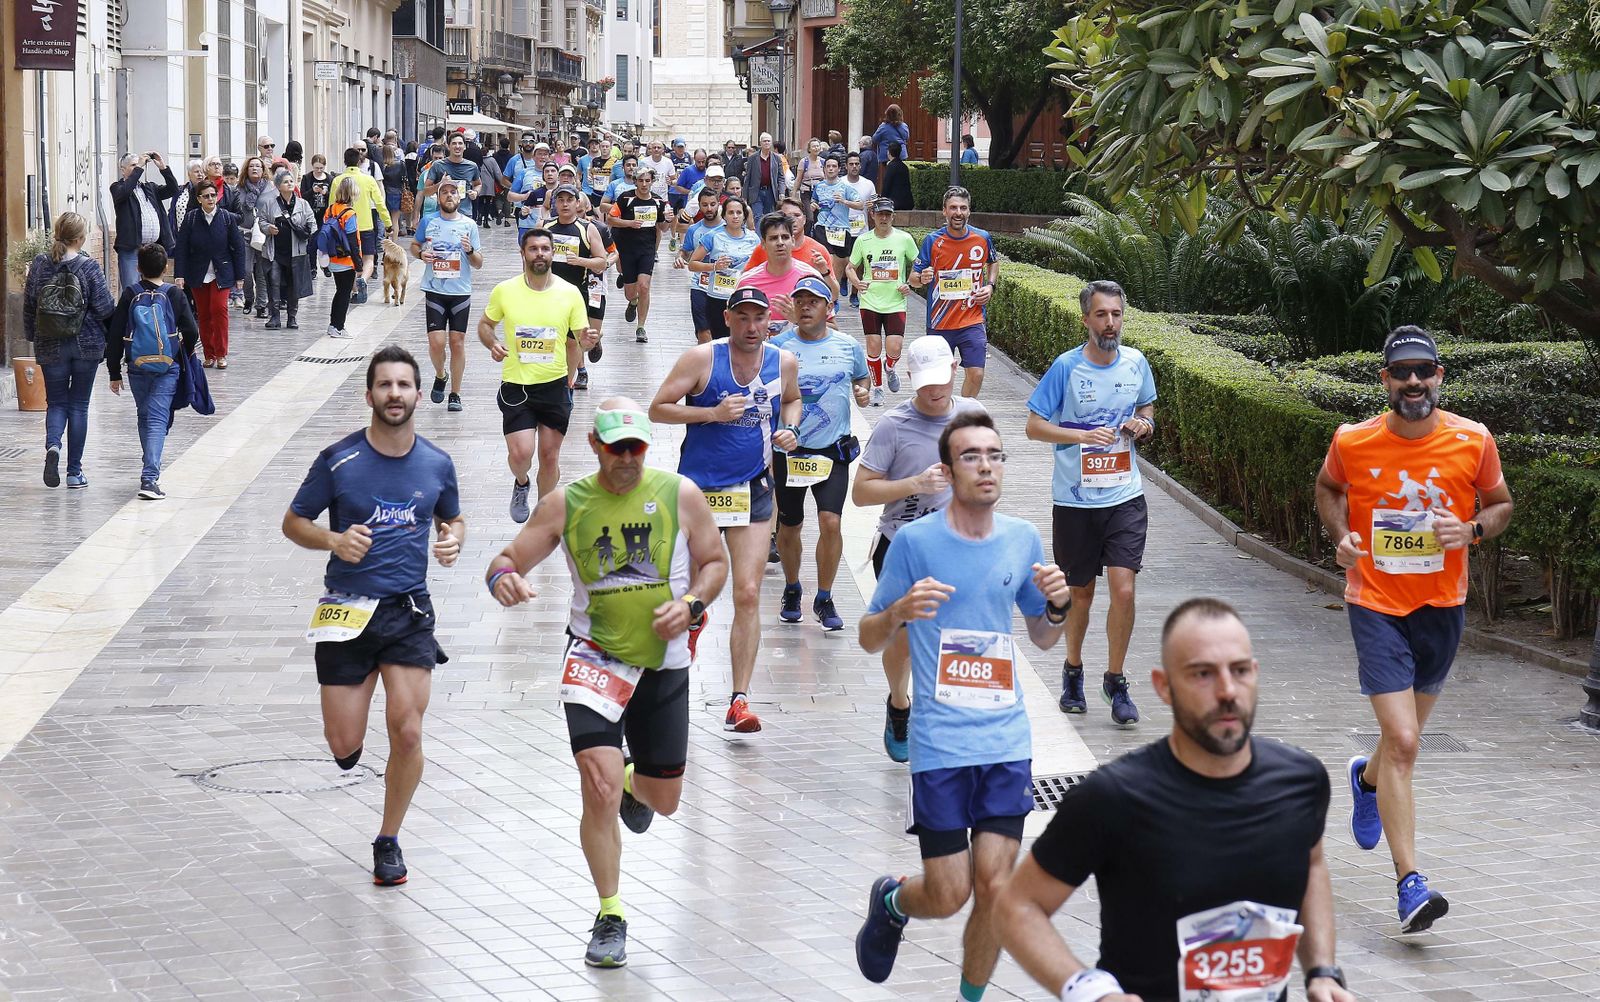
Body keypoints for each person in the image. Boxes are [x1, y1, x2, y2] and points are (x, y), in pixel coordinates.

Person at [994, 598, 1356, 1002]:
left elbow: (1311, 863)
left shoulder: (1300, 781)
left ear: (1255, 674)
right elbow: (1016, 906)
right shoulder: (1112, 798)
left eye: (1239, 671)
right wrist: (1091, 991)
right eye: (1202, 674)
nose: (1226, 691)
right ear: (1163, 686)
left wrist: (1323, 971)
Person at [485, 400, 728, 968]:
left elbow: (715, 563)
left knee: (664, 801)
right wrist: (503, 579)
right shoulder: (566, 503)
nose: (625, 458)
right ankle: (610, 912)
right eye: (615, 447)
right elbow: (507, 557)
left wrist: (691, 605)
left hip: (663, 663)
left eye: (635, 448)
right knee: (593, 781)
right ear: (594, 445)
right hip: (595, 657)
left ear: (647, 447)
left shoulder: (680, 495)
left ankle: (629, 780)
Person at [853, 410, 1072, 999]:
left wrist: (1056, 607)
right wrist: (898, 613)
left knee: (997, 890)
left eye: (995, 455)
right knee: (950, 893)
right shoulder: (916, 543)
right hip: (941, 742)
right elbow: (868, 635)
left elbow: (1044, 636)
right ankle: (894, 900)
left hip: (1006, 740)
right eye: (972, 456)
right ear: (948, 471)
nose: (986, 466)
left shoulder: (1022, 538)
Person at [1314, 324, 1512, 934]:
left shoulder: (1472, 440)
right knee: (1403, 741)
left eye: (1424, 370)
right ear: (1385, 382)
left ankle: (1366, 780)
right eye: (1402, 372)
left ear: (1439, 378)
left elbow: (1500, 503)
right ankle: (1409, 884)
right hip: (1375, 602)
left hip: (1441, 607)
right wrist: (1341, 537)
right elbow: (1327, 489)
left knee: (1401, 744)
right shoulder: (1354, 440)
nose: (1414, 382)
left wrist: (1473, 530)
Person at [283, 345, 466, 888]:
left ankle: (388, 839)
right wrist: (334, 541)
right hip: (346, 612)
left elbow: (453, 520)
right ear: (369, 395)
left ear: (416, 393)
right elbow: (293, 522)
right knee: (342, 744)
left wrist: (452, 541)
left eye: (404, 385)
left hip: (408, 610)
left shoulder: (437, 463)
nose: (394, 394)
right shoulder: (338, 459)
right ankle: (351, 746)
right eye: (384, 385)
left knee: (407, 730)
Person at [647, 287, 801, 734]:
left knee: (748, 592)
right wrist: (711, 414)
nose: (753, 328)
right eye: (744, 318)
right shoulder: (701, 359)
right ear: (728, 319)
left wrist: (789, 429)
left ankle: (739, 700)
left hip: (753, 487)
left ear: (769, 320)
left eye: (760, 318)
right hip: (698, 493)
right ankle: (689, 629)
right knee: (690, 591)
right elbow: (658, 410)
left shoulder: (782, 361)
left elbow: (790, 399)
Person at [1024, 280, 1154, 726]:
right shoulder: (1066, 368)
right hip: (1075, 501)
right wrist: (1080, 435)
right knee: (1081, 594)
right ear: (1085, 319)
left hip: (1124, 495)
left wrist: (1143, 425)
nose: (1110, 323)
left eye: (1116, 314)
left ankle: (1116, 679)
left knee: (1124, 587)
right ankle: (1073, 670)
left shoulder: (1137, 363)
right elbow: (1034, 426)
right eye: (1101, 315)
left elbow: (1147, 408)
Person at [852, 336, 986, 762]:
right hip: (900, 547)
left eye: (942, 378)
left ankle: (950, 721)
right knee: (905, 640)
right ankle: (899, 703)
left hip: (959, 547)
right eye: (925, 381)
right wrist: (915, 485)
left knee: (958, 636)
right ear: (910, 378)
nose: (935, 389)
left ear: (954, 369)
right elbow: (861, 493)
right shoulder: (894, 425)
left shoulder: (972, 416)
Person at [769, 276, 870, 631]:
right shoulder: (778, 348)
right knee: (790, 524)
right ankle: (792, 587)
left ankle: (825, 597)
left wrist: (861, 391)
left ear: (829, 309)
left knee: (831, 521)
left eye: (814, 301)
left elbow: (862, 378)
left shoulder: (847, 345)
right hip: (790, 451)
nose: (806, 306)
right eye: (800, 301)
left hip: (832, 448)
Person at [477, 228, 599, 521]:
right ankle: (521, 483)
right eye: (533, 249)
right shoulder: (505, 290)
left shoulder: (569, 293)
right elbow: (484, 324)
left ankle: (545, 513)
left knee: (549, 456)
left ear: (553, 253)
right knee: (521, 455)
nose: (540, 254)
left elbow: (579, 339)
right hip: (517, 386)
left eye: (545, 248)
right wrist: (492, 343)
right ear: (523, 254)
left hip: (554, 385)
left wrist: (588, 341)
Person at [23, 211, 117, 491]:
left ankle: (53, 446)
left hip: (50, 343)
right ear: (81, 237)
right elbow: (104, 308)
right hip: (86, 344)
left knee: (56, 403)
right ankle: (74, 472)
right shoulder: (89, 267)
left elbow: (29, 304)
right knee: (79, 405)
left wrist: (33, 337)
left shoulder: (40, 264)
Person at [104, 242, 200, 500]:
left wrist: (114, 372)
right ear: (166, 267)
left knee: (145, 414)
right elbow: (192, 331)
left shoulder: (129, 294)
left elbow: (115, 336)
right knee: (157, 419)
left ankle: (149, 464)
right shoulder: (174, 294)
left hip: (137, 366)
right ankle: (149, 478)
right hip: (168, 366)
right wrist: (184, 352)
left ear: (138, 268)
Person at [911, 186, 996, 398]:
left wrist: (990, 286)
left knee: (976, 374)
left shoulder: (982, 237)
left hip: (972, 320)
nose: (958, 212)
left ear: (969, 211)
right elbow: (912, 279)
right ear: (944, 211)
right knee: (940, 378)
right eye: (953, 208)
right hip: (940, 323)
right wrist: (922, 278)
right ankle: (943, 414)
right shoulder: (932, 241)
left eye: (963, 208)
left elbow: (993, 262)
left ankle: (961, 414)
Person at [411, 179, 484, 413]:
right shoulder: (428, 221)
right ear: (438, 198)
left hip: (460, 291)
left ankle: (455, 393)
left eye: (454, 192)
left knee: (457, 343)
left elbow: (479, 263)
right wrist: (422, 254)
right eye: (445, 193)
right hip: (435, 289)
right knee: (436, 343)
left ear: (459, 197)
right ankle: (441, 375)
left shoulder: (469, 225)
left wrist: (470, 251)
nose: (449, 196)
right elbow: (414, 245)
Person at [847, 199, 920, 405]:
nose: (884, 218)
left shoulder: (904, 239)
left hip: (896, 300)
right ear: (873, 215)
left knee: (894, 346)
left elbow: (918, 264)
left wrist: (909, 283)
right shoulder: (864, 240)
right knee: (873, 345)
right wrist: (857, 283)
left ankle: (890, 367)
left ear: (893, 216)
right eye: (880, 214)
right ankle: (878, 387)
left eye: (888, 214)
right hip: (870, 300)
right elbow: (850, 267)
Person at [173, 183, 249, 369]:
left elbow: (238, 248)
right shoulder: (191, 219)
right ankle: (209, 354)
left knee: (219, 310)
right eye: (206, 196)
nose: (210, 199)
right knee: (204, 314)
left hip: (221, 272)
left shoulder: (226, 218)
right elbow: (181, 248)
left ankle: (222, 353)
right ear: (199, 198)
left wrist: (240, 276)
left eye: (213, 195)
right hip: (198, 273)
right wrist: (179, 274)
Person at [544, 184, 610, 391]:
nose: (565, 204)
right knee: (552, 339)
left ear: (577, 203)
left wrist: (581, 261)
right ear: (554, 203)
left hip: (576, 293)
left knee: (572, 343)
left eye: (569, 200)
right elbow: (529, 258)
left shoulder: (588, 228)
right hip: (548, 293)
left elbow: (602, 261)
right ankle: (549, 380)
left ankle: (567, 384)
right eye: (560, 200)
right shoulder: (546, 227)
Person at [736, 211, 828, 332]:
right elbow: (735, 327)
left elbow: (832, 329)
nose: (780, 243)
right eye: (773, 238)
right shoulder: (747, 282)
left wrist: (799, 320)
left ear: (793, 240)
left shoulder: (811, 277)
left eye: (785, 237)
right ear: (763, 244)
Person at [687, 196, 758, 344]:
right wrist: (714, 267)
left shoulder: (753, 239)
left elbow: (760, 266)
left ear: (744, 215)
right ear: (724, 215)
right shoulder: (713, 236)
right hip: (717, 298)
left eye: (739, 212)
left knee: (741, 341)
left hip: (742, 297)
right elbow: (692, 264)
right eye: (731, 212)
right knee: (720, 342)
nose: (735, 216)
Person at [607, 166, 665, 344]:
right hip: (627, 248)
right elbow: (610, 219)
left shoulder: (658, 202)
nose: (644, 184)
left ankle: (641, 327)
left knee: (644, 287)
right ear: (635, 181)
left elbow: (663, 228)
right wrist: (629, 223)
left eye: (648, 180)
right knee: (630, 292)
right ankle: (633, 302)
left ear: (652, 181)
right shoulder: (626, 198)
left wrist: (669, 219)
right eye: (641, 180)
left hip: (646, 249)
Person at [255, 170, 316, 330]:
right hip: (275, 252)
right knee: (274, 282)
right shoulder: (270, 203)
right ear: (278, 186)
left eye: (291, 181)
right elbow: (261, 221)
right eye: (285, 182)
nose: (290, 184)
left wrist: (304, 230)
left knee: (293, 284)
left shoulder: (303, 204)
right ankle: (274, 316)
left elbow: (312, 223)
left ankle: (292, 317)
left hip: (296, 252)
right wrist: (268, 228)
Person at [110, 152, 179, 289]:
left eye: (139, 165)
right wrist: (139, 169)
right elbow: (124, 193)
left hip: (153, 248)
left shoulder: (150, 188)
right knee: (132, 288)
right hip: (131, 248)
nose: (138, 168)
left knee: (155, 287)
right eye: (133, 165)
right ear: (123, 170)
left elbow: (173, 189)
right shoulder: (117, 187)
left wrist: (163, 168)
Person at [742, 198, 836, 295]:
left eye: (797, 215)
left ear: (804, 219)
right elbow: (746, 281)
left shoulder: (818, 251)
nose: (793, 220)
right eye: (787, 216)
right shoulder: (761, 250)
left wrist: (824, 272)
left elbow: (833, 295)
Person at [809, 156, 864, 309]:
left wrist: (844, 201)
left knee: (840, 262)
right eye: (828, 166)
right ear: (824, 169)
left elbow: (860, 205)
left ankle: (836, 290)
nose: (831, 169)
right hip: (822, 226)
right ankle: (827, 295)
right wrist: (813, 205)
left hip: (841, 228)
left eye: (834, 166)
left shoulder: (845, 187)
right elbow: (814, 201)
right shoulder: (819, 187)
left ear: (839, 169)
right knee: (827, 258)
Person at [339, 146, 392, 303]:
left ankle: (355, 289)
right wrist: (388, 223)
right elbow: (380, 203)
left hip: (345, 227)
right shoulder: (368, 180)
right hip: (365, 225)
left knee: (350, 259)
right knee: (368, 258)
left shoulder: (338, 180)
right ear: (359, 161)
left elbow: (332, 207)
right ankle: (363, 278)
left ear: (344, 162)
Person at [320, 177, 363, 340]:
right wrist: (359, 265)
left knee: (340, 291)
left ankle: (333, 324)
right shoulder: (349, 214)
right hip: (346, 260)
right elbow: (353, 241)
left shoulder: (331, 209)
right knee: (344, 293)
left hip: (332, 257)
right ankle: (338, 326)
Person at [237, 157, 274, 318]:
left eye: (258, 166)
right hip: (244, 233)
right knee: (245, 270)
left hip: (263, 234)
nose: (254, 169)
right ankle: (248, 299)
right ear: (246, 169)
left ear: (263, 169)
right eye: (251, 166)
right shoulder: (239, 189)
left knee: (261, 271)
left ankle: (261, 305)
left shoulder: (270, 188)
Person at [743, 133, 788, 218]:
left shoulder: (777, 158)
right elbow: (747, 177)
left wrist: (782, 192)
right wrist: (744, 196)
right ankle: (758, 231)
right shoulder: (753, 158)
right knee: (757, 216)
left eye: (768, 141)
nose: (766, 143)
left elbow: (781, 177)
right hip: (756, 192)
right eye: (764, 141)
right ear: (760, 143)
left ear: (771, 143)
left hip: (770, 192)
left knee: (769, 216)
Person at [871, 105, 911, 172]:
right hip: (901, 155)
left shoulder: (883, 127)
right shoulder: (904, 126)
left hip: (886, 156)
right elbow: (906, 137)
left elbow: (874, 139)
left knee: (887, 176)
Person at [881, 142, 914, 212]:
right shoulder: (904, 166)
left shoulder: (891, 166)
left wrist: (882, 199)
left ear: (889, 152)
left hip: (895, 202)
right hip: (907, 202)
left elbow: (887, 184)